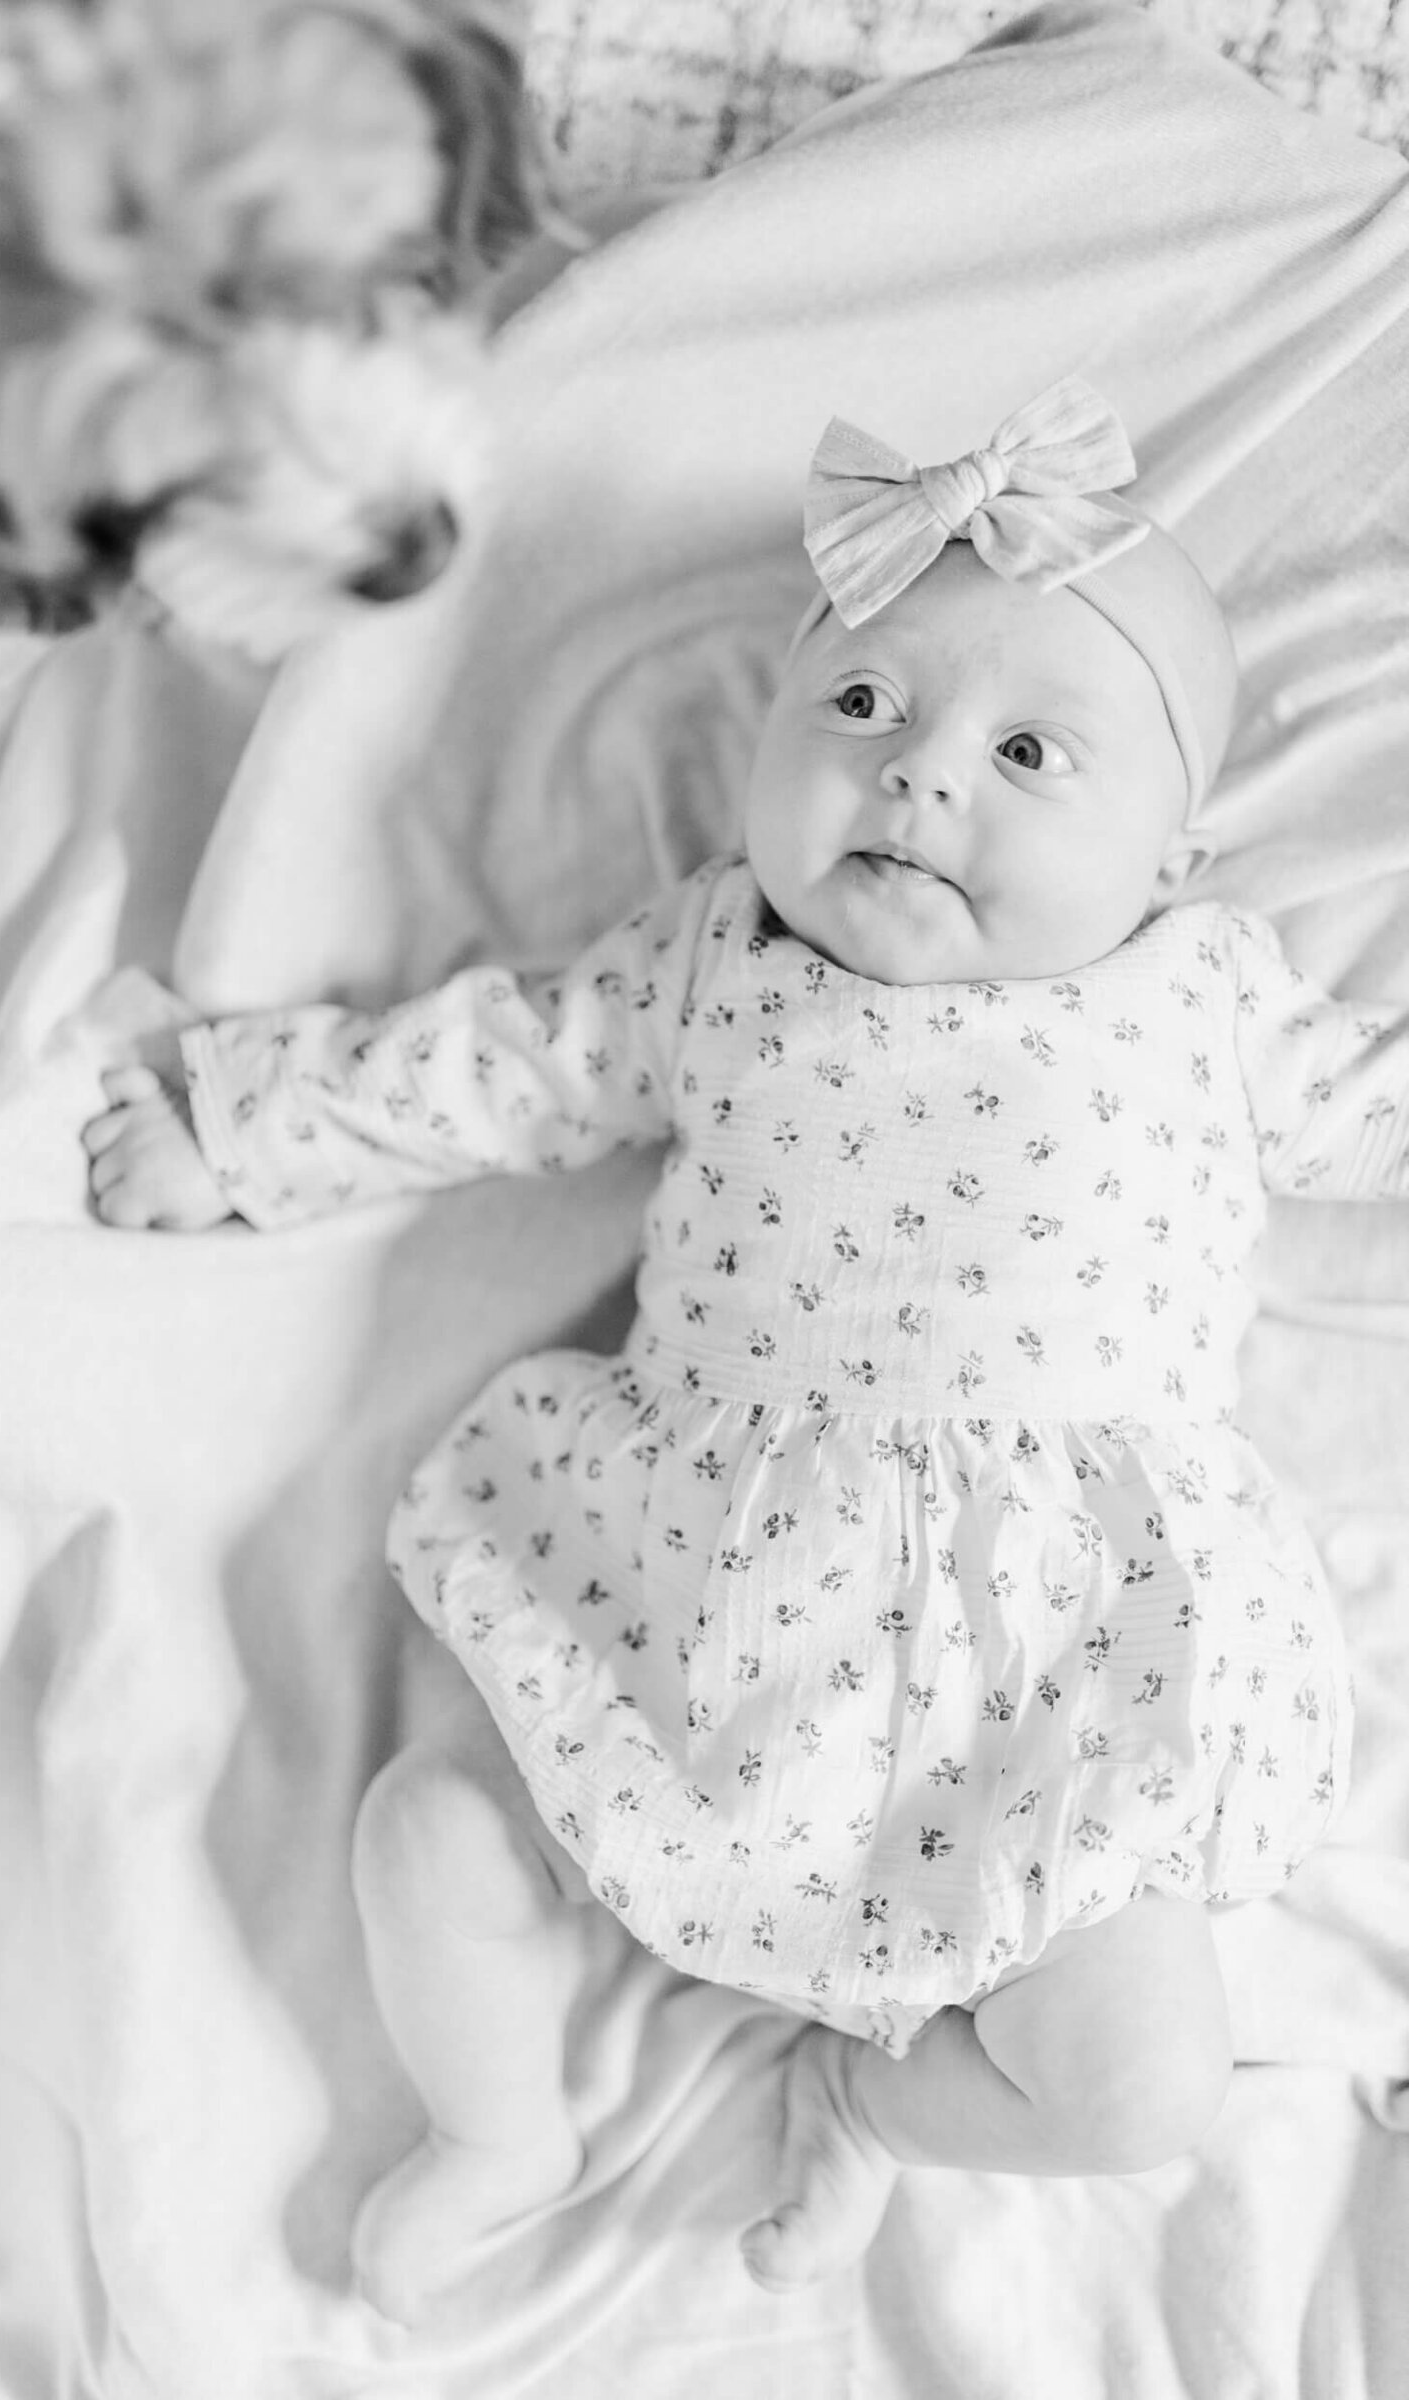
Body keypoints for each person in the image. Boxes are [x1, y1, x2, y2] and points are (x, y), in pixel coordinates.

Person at [82, 380, 1394, 2324]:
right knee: (427, 1832)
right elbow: (489, 1071)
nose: (915, 775)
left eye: (1029, 750)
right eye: (857, 705)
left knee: (1145, 2082)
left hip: (1042, 1676)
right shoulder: (710, 969)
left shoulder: (1202, 1005)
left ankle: (877, 2108)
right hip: (692, 1603)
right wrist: (237, 1127)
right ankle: (496, 2121)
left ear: (1170, 862)